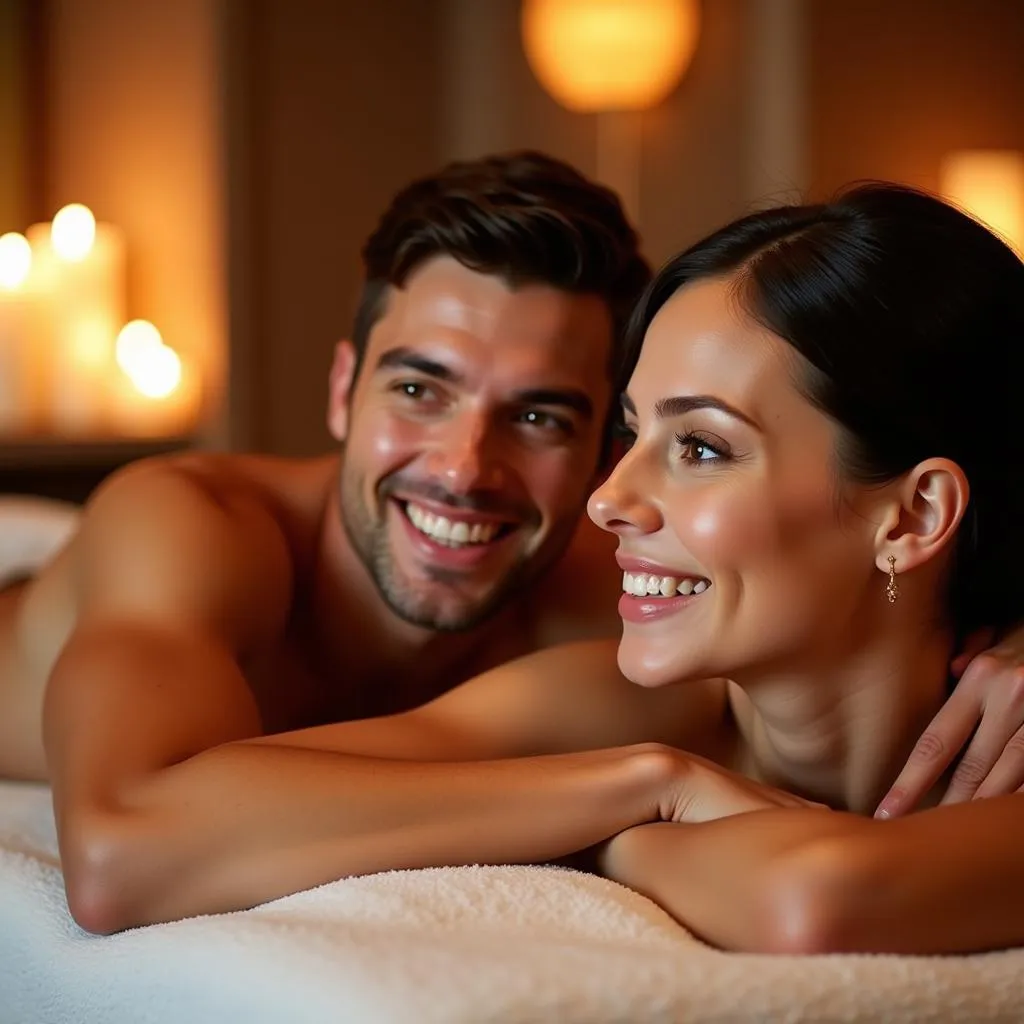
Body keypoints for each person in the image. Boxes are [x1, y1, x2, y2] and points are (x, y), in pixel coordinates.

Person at [0, 156, 1021, 935]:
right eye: (418, 388)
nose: (463, 466)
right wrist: (642, 787)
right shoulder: (193, 533)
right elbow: (131, 845)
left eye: (541, 417)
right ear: (342, 386)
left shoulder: (631, 596)